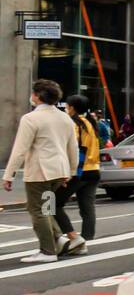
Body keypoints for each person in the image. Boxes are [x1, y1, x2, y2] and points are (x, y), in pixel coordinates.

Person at [2, 79, 78, 263]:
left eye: (33, 93)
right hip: (60, 170)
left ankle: (47, 251)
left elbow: (20, 149)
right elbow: (73, 147)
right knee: (47, 207)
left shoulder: (31, 118)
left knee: (38, 211)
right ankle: (58, 240)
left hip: (39, 170)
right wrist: (71, 171)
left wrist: (9, 174)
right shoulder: (64, 117)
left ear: (37, 96)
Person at [52, 93, 101, 255]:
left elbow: (73, 150)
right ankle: (87, 240)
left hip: (79, 171)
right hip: (94, 170)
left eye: (67, 107)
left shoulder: (74, 124)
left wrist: (67, 174)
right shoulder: (91, 123)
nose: (66, 109)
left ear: (72, 108)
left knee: (53, 204)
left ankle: (74, 238)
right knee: (87, 208)